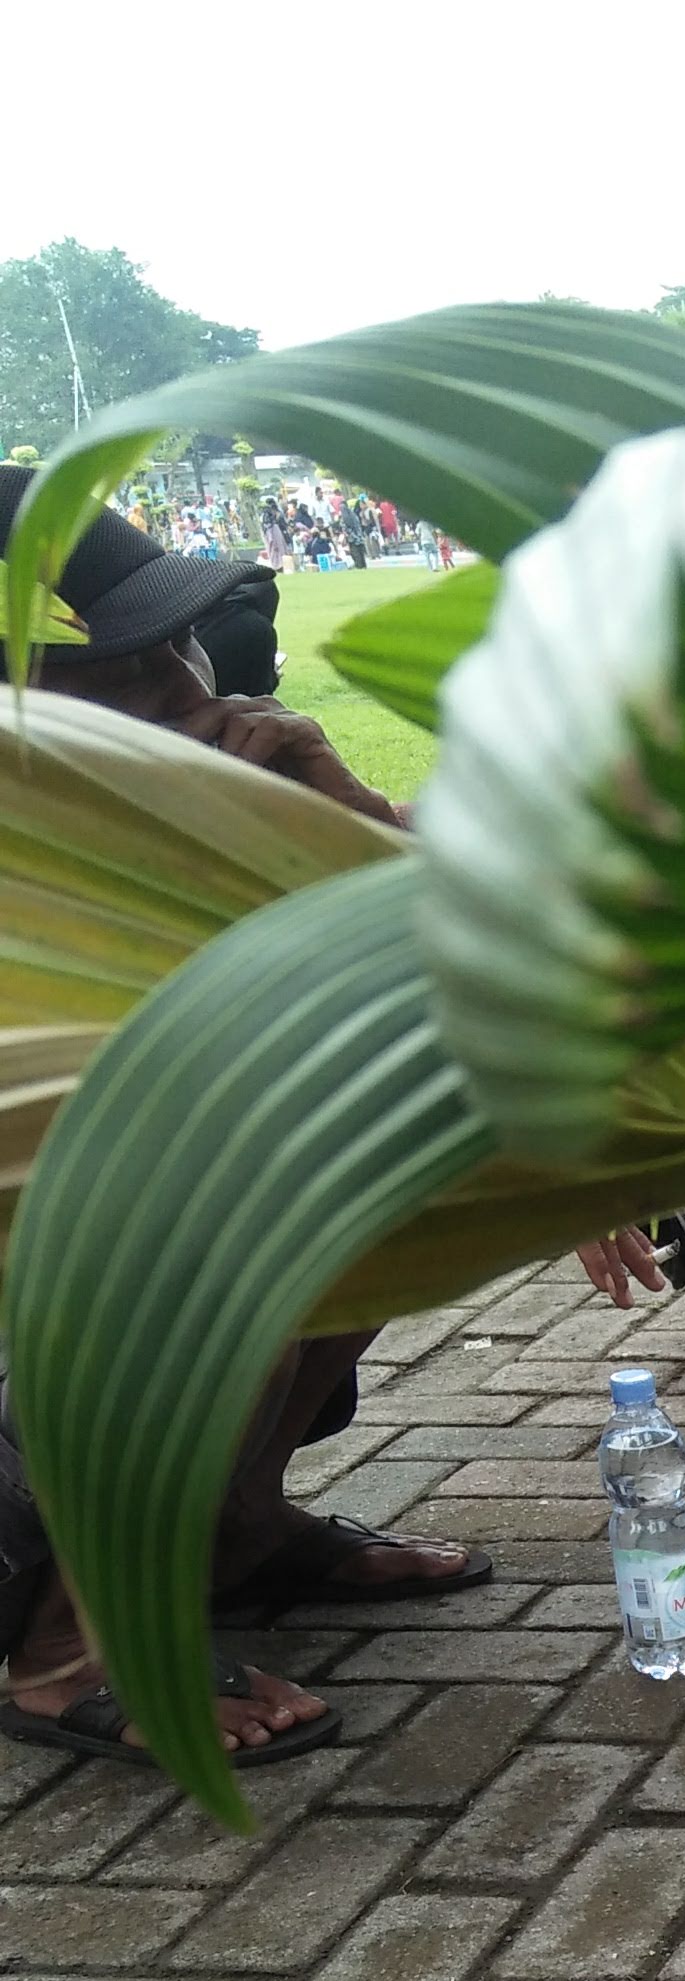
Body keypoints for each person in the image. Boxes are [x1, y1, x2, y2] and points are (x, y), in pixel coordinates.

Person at [0, 469, 503, 1768]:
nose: (183, 689)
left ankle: (238, 1530)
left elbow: (468, 988)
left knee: (412, 1159)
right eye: (117, 676)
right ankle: (67, 1648)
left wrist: (345, 820)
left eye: (175, 642)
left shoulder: (143, 809)